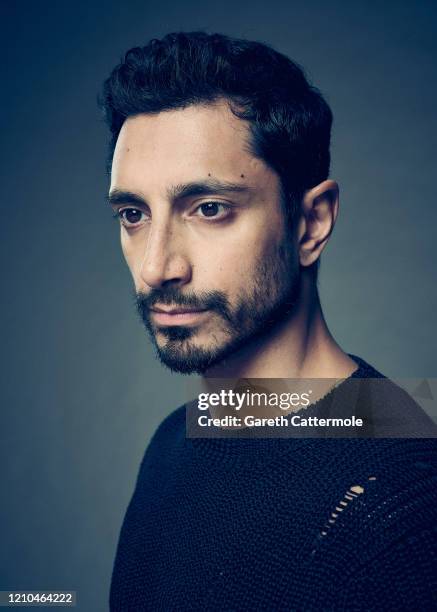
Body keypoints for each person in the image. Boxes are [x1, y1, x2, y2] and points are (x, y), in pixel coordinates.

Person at [100, 32, 437, 610]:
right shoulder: (173, 442)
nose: (157, 266)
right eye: (134, 214)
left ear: (311, 224)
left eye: (210, 209)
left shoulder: (403, 497)